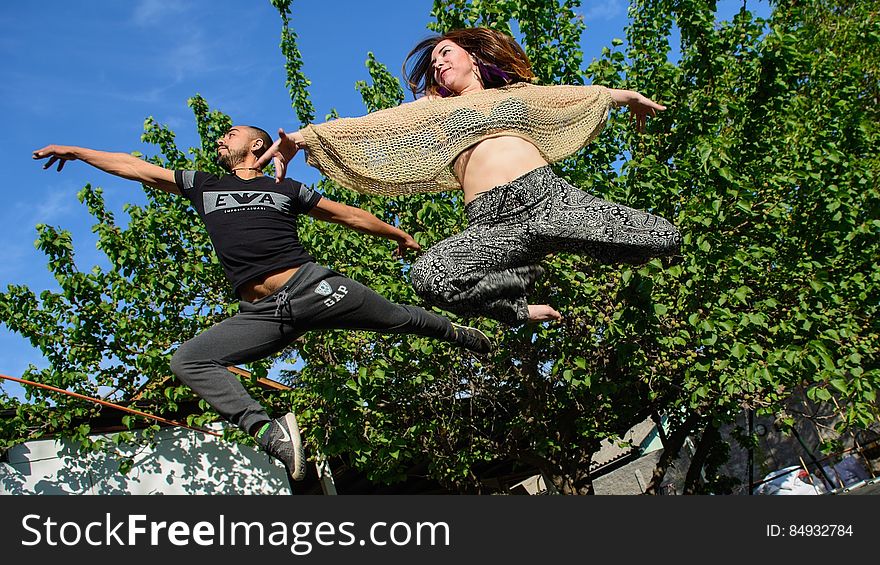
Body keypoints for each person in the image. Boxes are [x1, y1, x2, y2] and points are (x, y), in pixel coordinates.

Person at [32, 125, 492, 482]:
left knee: (399, 318)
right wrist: (76, 152)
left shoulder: (286, 191)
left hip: (313, 287)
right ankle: (270, 433)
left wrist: (398, 234)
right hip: (264, 314)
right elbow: (137, 167)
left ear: (255, 145)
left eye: (230, 134)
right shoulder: (203, 184)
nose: (220, 139)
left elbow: (348, 215)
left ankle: (461, 334)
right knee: (189, 361)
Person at [257, 27, 682, 326]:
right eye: (434, 61)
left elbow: (571, 95)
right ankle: (520, 304)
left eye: (446, 53)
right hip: (491, 223)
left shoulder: (513, 96)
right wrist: (302, 137)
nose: (438, 63)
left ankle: (563, 242)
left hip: (550, 200)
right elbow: (369, 125)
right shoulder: (432, 109)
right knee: (430, 277)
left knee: (663, 238)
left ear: (473, 58)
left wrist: (626, 98)